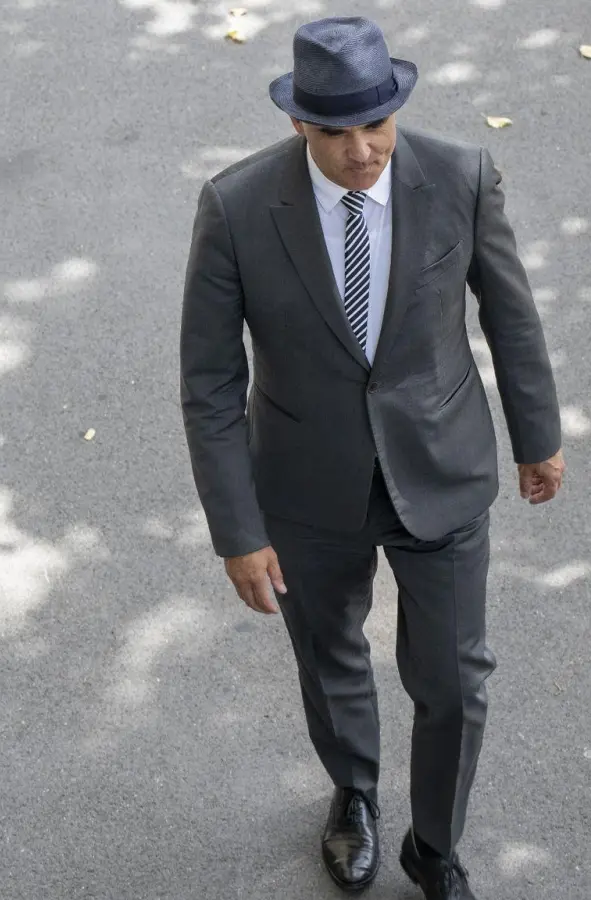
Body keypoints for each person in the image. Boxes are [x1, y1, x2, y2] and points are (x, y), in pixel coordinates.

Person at [179, 15, 564, 899]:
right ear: (298, 126)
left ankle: (436, 846)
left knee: (457, 681)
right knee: (329, 653)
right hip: (308, 486)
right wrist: (237, 532)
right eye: (337, 132)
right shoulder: (235, 209)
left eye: (376, 126)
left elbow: (510, 314)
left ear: (398, 110)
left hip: (442, 467)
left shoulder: (460, 177)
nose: (361, 152)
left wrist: (536, 437)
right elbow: (207, 382)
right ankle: (354, 794)